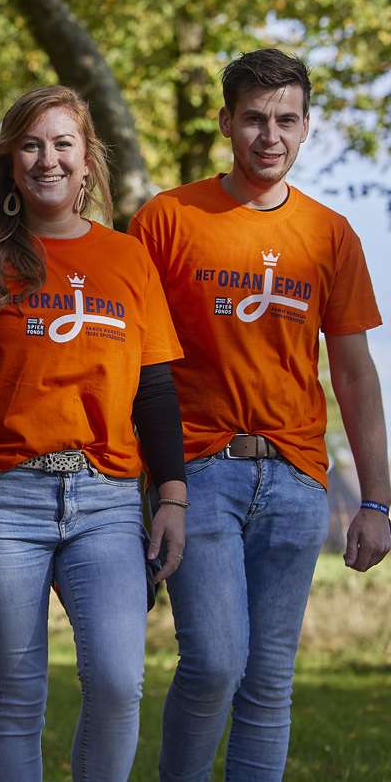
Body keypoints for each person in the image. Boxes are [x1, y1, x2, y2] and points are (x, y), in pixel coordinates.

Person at [0, 85, 188, 781]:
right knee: (17, 697)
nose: (48, 159)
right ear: (10, 161)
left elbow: (155, 392)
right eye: (31, 145)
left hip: (107, 499)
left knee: (119, 683)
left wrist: (173, 498)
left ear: (87, 159)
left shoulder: (129, 261)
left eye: (63, 143)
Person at [128, 49, 389, 782]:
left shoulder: (331, 234)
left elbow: (356, 374)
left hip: (298, 479)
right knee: (215, 663)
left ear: (305, 127)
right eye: (253, 119)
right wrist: (131, 484)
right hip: (195, 473)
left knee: (269, 682)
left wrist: (375, 500)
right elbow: (129, 360)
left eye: (286, 120)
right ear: (225, 123)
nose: (270, 135)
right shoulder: (167, 219)